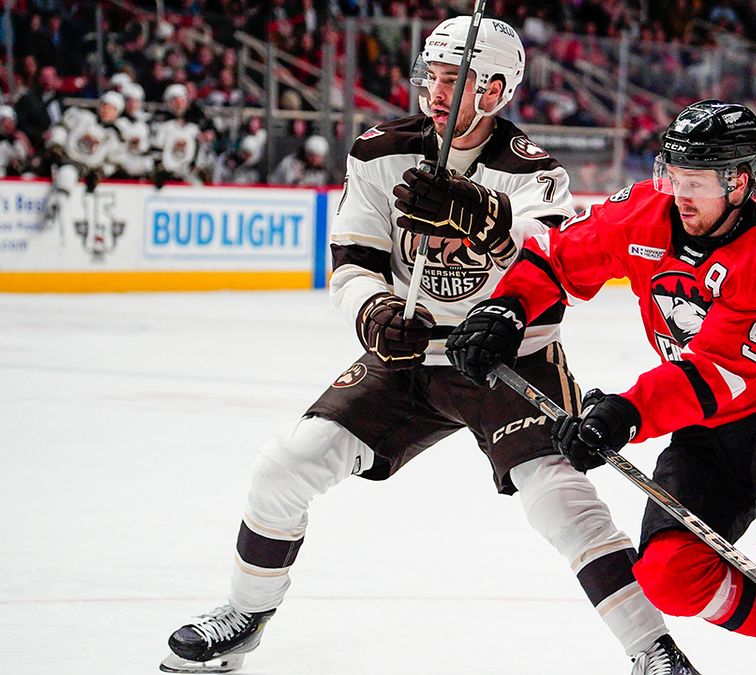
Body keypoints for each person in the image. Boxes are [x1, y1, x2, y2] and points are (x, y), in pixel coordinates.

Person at [159, 16, 696, 675]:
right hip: (408, 358)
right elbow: (352, 261)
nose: (437, 91)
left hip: (509, 358)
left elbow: (552, 254)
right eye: (432, 77)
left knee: (561, 501)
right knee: (283, 468)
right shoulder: (379, 151)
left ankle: (653, 650)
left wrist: (484, 215)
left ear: (495, 89)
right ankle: (246, 613)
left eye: (456, 79)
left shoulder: (535, 171)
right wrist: (376, 312)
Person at [445, 100, 756, 675]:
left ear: (739, 181)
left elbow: (716, 373)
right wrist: (508, 308)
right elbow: (558, 259)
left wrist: (624, 414)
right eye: (673, 175)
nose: (679, 192)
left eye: (695, 181)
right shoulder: (643, 213)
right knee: (669, 575)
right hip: (706, 424)